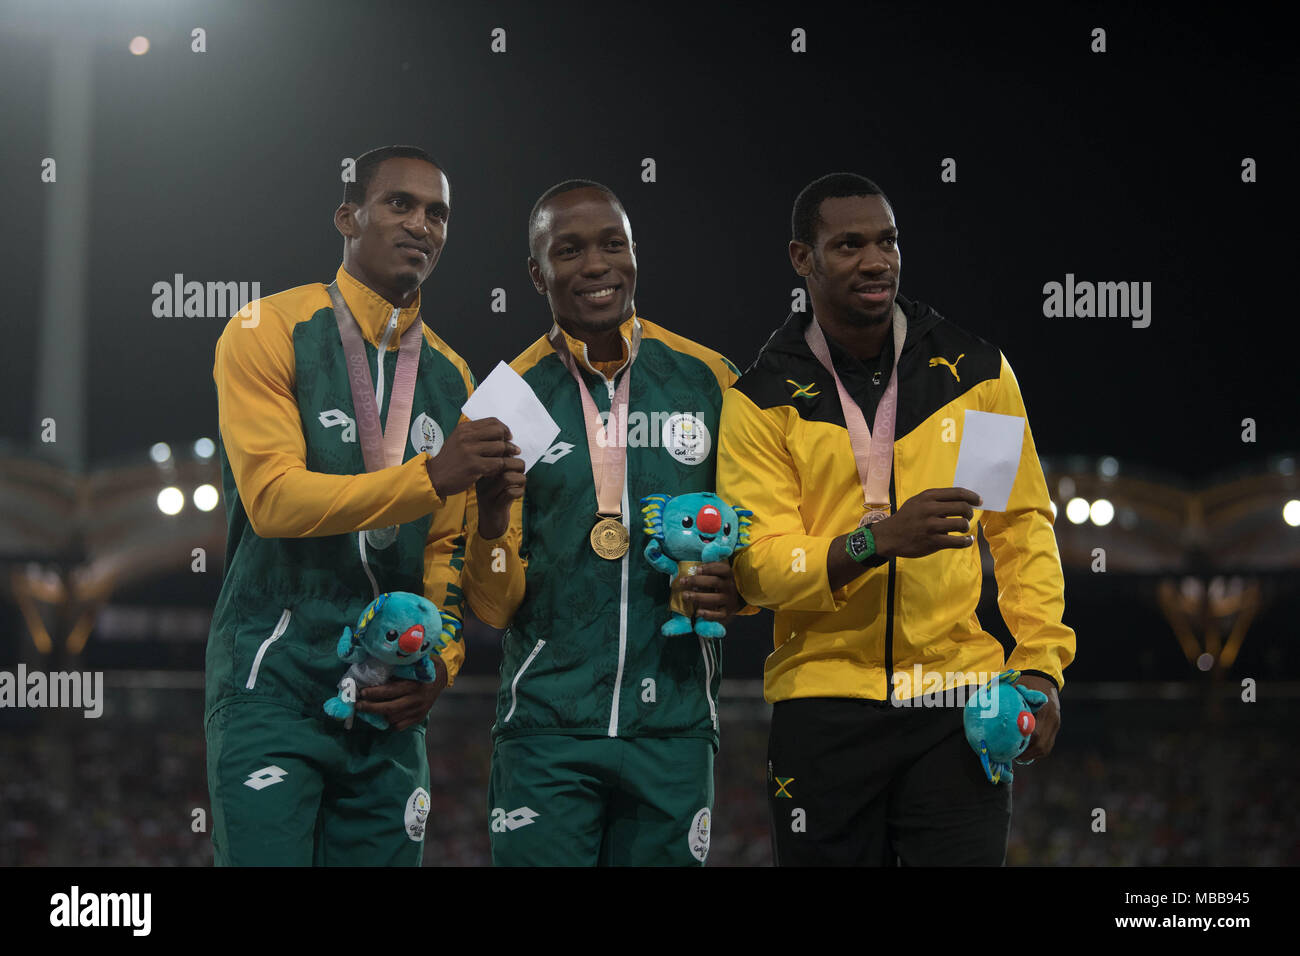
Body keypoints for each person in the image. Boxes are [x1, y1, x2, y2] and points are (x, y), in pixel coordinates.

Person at [716, 172, 1076, 866]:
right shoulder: (761, 400)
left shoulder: (972, 375)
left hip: (955, 703)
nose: (876, 260)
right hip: (822, 710)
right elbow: (756, 567)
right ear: (803, 258)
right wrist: (876, 541)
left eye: (888, 241)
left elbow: (1020, 528)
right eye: (848, 245)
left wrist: (1040, 665)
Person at [205, 145, 518, 866]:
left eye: (437, 213)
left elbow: (442, 549)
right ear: (348, 216)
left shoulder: (451, 372)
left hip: (390, 697)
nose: (422, 225)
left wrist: (439, 657)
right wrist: (428, 476)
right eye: (399, 204)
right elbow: (274, 502)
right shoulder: (268, 329)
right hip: (272, 680)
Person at [461, 180, 749, 866]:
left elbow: (757, 533)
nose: (595, 266)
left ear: (635, 254)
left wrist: (742, 586)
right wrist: (495, 517)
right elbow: (492, 606)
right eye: (570, 250)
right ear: (538, 272)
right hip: (546, 731)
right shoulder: (505, 400)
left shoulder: (711, 382)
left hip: (674, 727)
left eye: (612, 244)